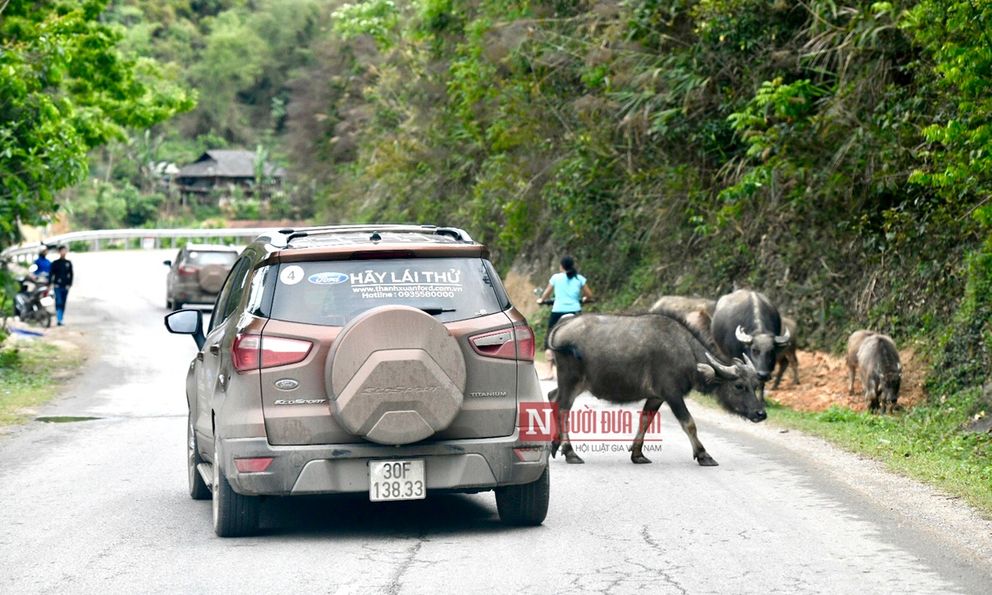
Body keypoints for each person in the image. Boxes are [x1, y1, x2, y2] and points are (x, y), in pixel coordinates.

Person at [537, 255, 593, 380]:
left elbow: (546, 294)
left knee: (550, 340)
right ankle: (583, 373)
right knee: (581, 340)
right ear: (573, 265)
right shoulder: (579, 279)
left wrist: (542, 300)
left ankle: (549, 372)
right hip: (575, 312)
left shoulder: (556, 278)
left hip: (558, 312)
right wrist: (584, 299)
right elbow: (589, 295)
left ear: (561, 266)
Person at [49, 245, 74, 326]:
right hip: (57, 285)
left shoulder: (68, 263)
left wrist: (69, 284)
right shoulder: (55, 263)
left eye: (65, 251)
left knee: (63, 302)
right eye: (62, 251)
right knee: (58, 302)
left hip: (65, 286)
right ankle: (59, 319)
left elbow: (71, 274)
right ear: (59, 252)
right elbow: (51, 274)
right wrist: (50, 284)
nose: (63, 252)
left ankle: (61, 317)